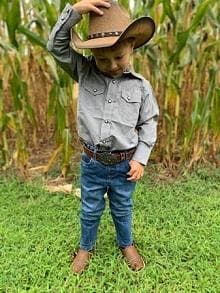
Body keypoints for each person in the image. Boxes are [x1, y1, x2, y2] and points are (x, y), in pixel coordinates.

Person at [47, 0, 159, 274]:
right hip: (92, 164)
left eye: (119, 57)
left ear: (131, 46)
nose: (111, 65)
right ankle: (86, 247)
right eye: (102, 59)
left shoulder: (141, 87)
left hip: (125, 166)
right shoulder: (83, 71)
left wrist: (141, 159)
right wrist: (76, 11)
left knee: (123, 208)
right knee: (90, 209)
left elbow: (149, 123)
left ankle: (126, 243)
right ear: (93, 57)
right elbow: (55, 47)